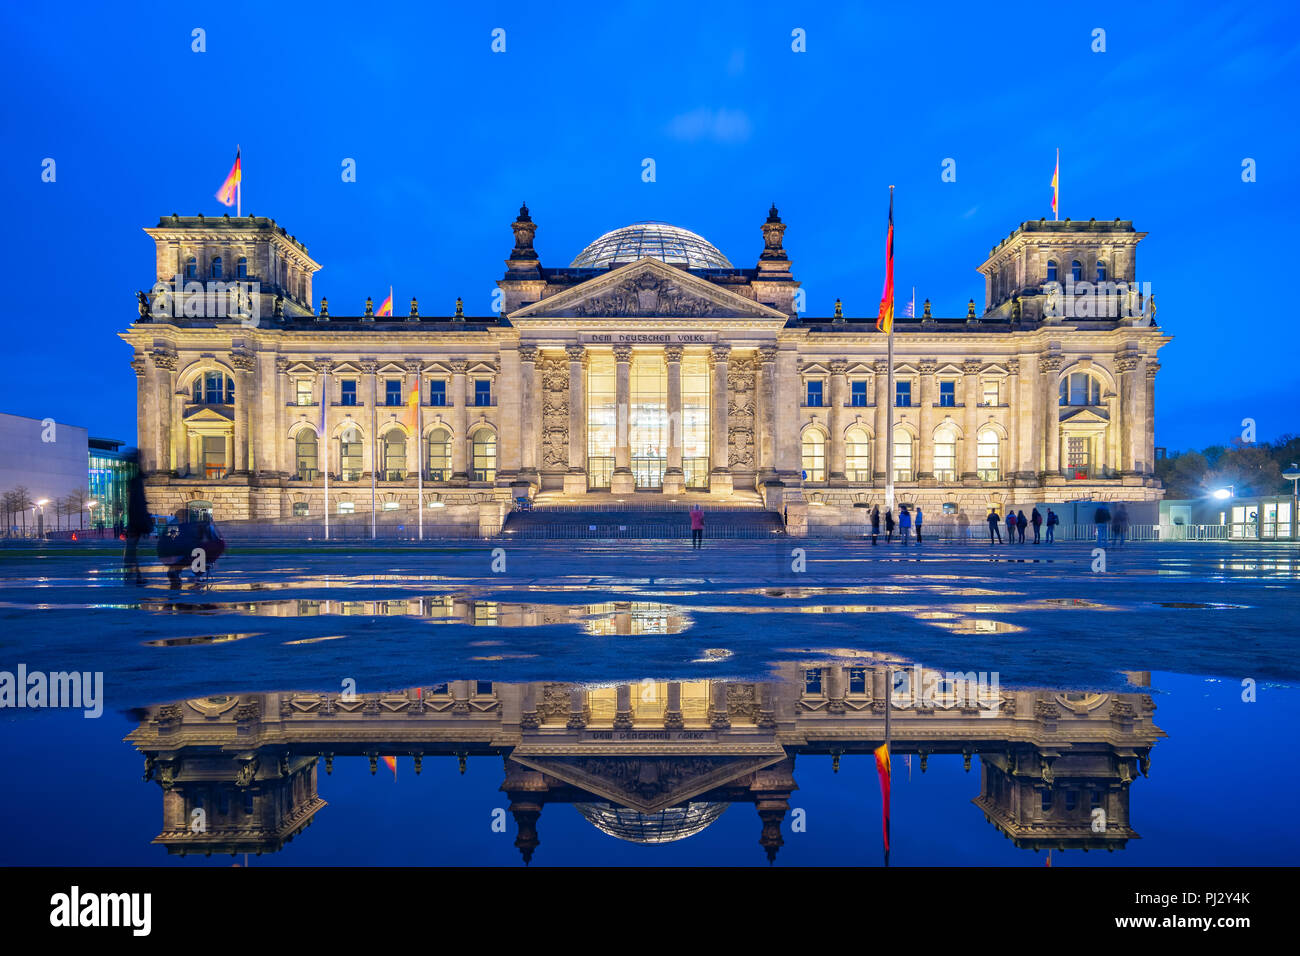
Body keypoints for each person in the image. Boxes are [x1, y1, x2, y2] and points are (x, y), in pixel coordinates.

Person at [123, 473, 152, 585]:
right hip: (137, 526)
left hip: (134, 526)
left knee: (133, 551)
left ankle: (133, 573)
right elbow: (140, 510)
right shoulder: (138, 493)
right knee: (136, 552)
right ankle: (135, 574)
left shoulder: (133, 494)